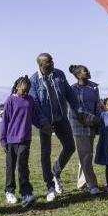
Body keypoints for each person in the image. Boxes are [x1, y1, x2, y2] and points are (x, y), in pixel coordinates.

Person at [28, 52, 79, 201]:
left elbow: (70, 94)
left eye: (52, 61)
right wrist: (43, 123)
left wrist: (79, 112)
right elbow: (35, 105)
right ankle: (50, 187)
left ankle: (56, 171)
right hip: (45, 122)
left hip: (61, 118)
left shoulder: (60, 75)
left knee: (70, 147)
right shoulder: (33, 81)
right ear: (41, 64)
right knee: (46, 154)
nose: (53, 63)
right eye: (49, 62)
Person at [0, 76, 36, 209]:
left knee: (23, 166)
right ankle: (9, 191)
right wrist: (3, 140)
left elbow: (34, 117)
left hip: (25, 139)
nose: (26, 93)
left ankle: (26, 193)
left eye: (28, 91)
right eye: (24, 90)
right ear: (17, 87)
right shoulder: (10, 100)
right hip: (10, 140)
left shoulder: (30, 100)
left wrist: (44, 125)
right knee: (10, 167)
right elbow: (5, 121)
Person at [68, 64, 102, 196]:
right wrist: (90, 119)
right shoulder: (72, 89)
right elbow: (74, 109)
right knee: (86, 154)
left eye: (88, 69)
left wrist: (98, 122)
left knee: (86, 155)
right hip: (79, 125)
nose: (88, 71)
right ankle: (92, 184)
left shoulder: (94, 87)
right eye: (84, 70)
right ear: (78, 75)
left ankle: (82, 182)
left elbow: (97, 106)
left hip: (93, 124)